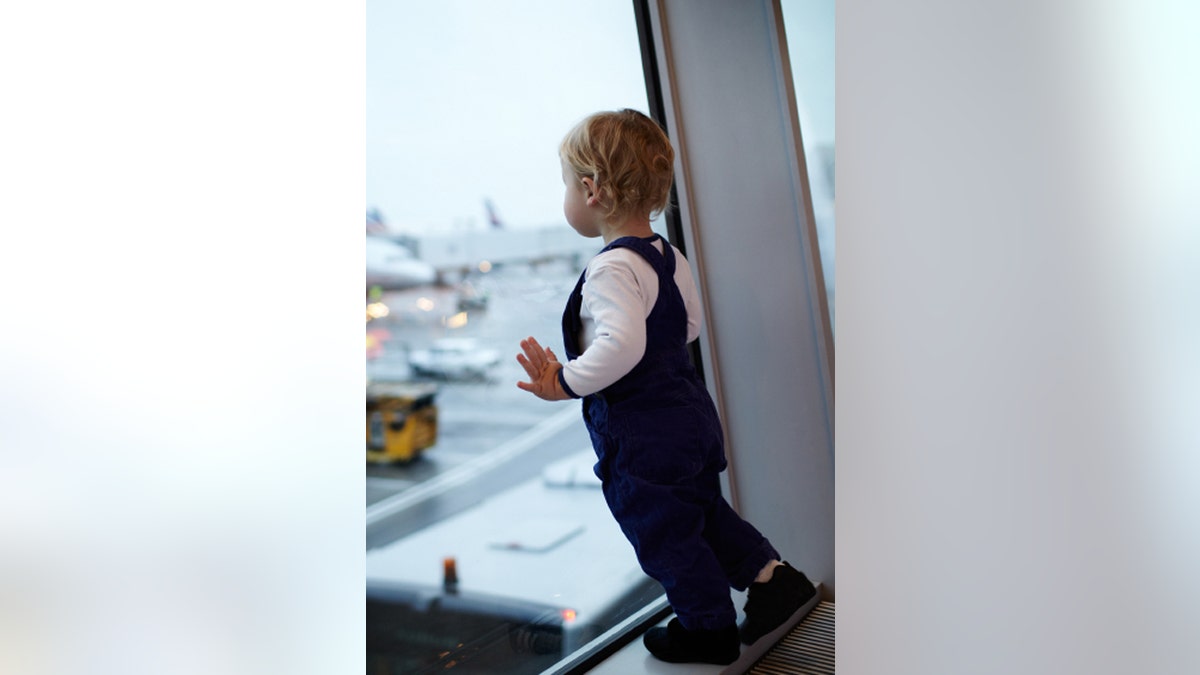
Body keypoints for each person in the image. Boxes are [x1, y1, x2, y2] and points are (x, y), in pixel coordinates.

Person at [515, 108, 816, 666]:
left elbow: (622, 346)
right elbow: (689, 326)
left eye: (565, 184)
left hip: (646, 433)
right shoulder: (665, 255)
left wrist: (566, 380)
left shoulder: (610, 269)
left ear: (592, 190)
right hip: (690, 415)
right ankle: (775, 580)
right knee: (702, 511)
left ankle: (708, 628)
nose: (565, 196)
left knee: (663, 532)